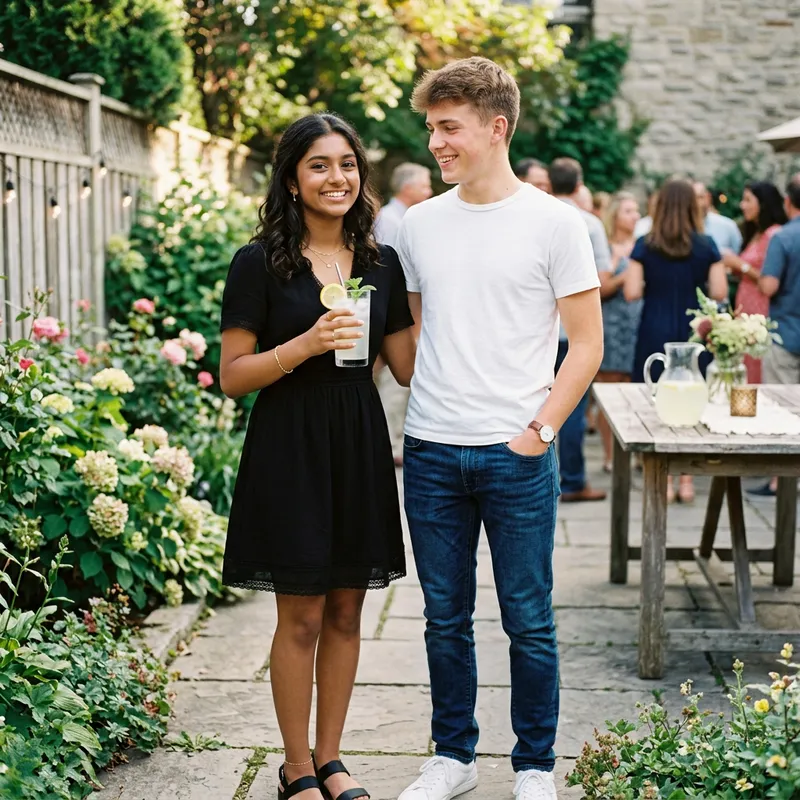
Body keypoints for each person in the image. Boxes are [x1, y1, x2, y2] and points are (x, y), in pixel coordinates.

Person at [395, 57, 604, 800]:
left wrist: (541, 431)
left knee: (530, 620)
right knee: (443, 618)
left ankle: (535, 766)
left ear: (496, 127)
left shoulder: (558, 224)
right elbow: (414, 340)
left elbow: (587, 344)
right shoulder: (417, 225)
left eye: (448, 128)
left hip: (517, 453)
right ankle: (452, 758)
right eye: (431, 129)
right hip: (430, 450)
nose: (437, 145)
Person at [218, 112, 416, 800]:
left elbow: (407, 367)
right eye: (319, 165)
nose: (337, 177)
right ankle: (295, 767)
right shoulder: (260, 262)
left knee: (345, 611)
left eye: (347, 164)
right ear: (294, 181)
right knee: (299, 613)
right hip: (290, 442)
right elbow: (233, 374)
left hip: (357, 441)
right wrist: (303, 345)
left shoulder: (380, 263)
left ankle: (331, 761)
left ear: (362, 175)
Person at [625, 177, 728, 503]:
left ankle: (664, 481)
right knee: (692, 400)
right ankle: (686, 481)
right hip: (693, 332)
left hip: (654, 327)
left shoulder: (644, 244)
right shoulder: (707, 245)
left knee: (657, 399)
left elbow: (631, 292)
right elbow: (721, 292)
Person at [549, 156, 612, 503]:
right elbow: (601, 279)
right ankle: (572, 480)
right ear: (578, 184)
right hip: (573, 332)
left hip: (538, 331)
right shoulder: (588, 223)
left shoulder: (535, 216)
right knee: (572, 407)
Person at [374, 162, 432, 466]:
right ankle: (390, 444)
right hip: (395, 321)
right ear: (408, 187)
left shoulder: (402, 218)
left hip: (404, 318)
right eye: (424, 185)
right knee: (394, 388)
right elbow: (391, 278)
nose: (430, 191)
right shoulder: (392, 221)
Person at [750, 175, 800, 497]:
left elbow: (768, 285)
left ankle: (780, 480)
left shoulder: (783, 237)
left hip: (786, 333)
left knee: (784, 409)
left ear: (787, 202)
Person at [594, 192, 643, 471]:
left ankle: (634, 450)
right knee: (609, 391)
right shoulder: (607, 249)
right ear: (615, 216)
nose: (634, 216)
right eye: (628, 211)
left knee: (635, 390)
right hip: (612, 324)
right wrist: (627, 275)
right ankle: (611, 455)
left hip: (638, 323)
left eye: (636, 211)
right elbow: (601, 290)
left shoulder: (642, 247)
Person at [720, 181, 787, 383]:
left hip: (761, 308)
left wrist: (740, 264)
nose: (742, 205)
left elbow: (771, 278)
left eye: (748, 200)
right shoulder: (756, 233)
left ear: (764, 203)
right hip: (746, 307)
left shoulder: (773, 234)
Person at [374, 162, 433, 247]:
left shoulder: (408, 216)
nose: (429, 192)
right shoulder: (387, 220)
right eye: (424, 187)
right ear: (407, 189)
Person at [692, 181, 743, 255]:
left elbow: (739, 255)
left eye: (700, 197)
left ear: (708, 197)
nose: (696, 203)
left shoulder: (727, 225)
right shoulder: (681, 228)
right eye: (692, 199)